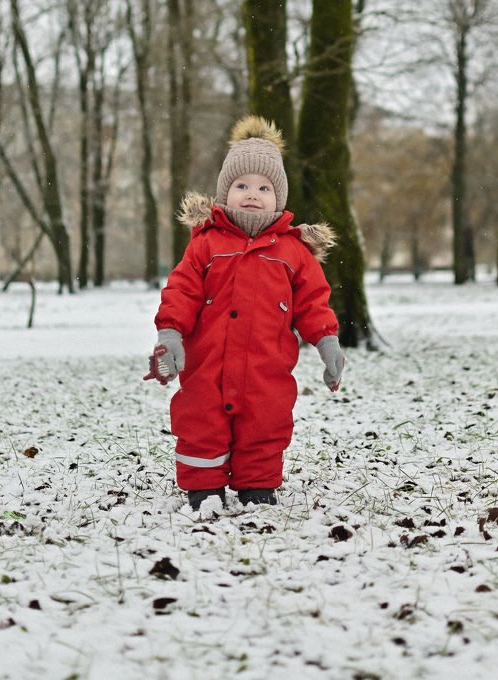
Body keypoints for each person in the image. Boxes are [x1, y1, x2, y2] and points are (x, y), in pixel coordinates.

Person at [144, 116, 346, 511]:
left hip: (266, 367)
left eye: (264, 187)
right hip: (208, 365)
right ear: (224, 192)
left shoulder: (293, 253)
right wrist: (170, 333)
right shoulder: (206, 244)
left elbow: (313, 302)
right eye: (241, 185)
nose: (252, 194)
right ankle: (204, 488)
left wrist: (327, 341)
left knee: (266, 423)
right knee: (201, 421)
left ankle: (258, 487)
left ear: (279, 196)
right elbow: (181, 289)